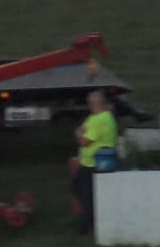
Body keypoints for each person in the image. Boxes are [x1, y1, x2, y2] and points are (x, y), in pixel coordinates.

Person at [68, 90, 117, 235]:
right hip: (92, 162)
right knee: (78, 189)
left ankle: (85, 226)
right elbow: (83, 129)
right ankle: (90, 219)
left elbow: (84, 141)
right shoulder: (105, 117)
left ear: (93, 104)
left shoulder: (98, 120)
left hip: (92, 164)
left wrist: (79, 134)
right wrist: (81, 132)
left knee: (85, 195)